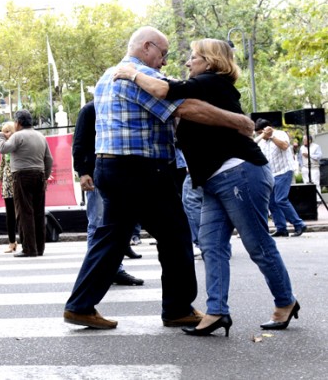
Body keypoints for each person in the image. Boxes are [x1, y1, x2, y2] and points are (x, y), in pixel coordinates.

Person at [63, 27, 255, 330]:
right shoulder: (135, 76)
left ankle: (80, 305)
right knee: (176, 236)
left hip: (112, 168)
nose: (165, 61)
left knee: (111, 238)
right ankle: (177, 308)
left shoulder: (107, 76)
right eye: (163, 54)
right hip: (143, 170)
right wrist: (238, 122)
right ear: (147, 47)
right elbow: (185, 108)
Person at [113, 38, 299, 335]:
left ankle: (286, 302)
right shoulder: (205, 85)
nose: (188, 62)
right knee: (211, 247)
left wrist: (131, 73)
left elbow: (162, 89)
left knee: (258, 245)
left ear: (210, 62)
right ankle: (216, 312)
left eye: (194, 57)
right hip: (213, 180)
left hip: (238, 173)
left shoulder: (212, 82)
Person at [72, 102, 144, 286]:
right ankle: (99, 270)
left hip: (117, 173)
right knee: (97, 224)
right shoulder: (90, 110)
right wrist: (82, 171)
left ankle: (112, 269)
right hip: (96, 172)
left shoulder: (119, 108)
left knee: (114, 224)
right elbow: (79, 142)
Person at [0, 110, 53, 258]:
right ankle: (40, 248)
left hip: (21, 175)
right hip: (39, 174)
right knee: (38, 212)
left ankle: (28, 248)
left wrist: (0, 136)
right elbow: (49, 159)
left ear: (18, 123)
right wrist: (45, 177)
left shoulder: (18, 135)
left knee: (24, 212)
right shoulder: (41, 136)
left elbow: (3, 149)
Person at [254, 119, 307, 237]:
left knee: (280, 199)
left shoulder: (280, 134)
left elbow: (284, 146)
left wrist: (271, 136)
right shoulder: (262, 141)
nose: (260, 136)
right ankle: (281, 228)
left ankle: (299, 224)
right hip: (270, 174)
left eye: (260, 133)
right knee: (272, 202)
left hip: (284, 171)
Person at [0, 122, 18, 253]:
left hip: (18, 181)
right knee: (10, 213)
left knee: (21, 213)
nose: (6, 134)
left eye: (8, 131)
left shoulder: (18, 143)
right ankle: (12, 242)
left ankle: (25, 240)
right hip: (7, 183)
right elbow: (1, 165)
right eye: (4, 132)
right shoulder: (4, 148)